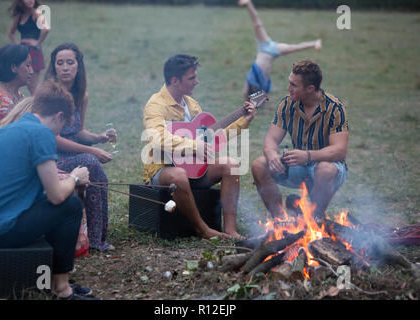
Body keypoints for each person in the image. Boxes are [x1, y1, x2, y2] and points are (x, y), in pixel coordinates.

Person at [0, 80, 98, 300]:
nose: (59, 132)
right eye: (63, 125)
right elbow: (57, 196)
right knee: (71, 205)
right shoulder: (41, 134)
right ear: (59, 116)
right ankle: (62, 289)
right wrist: (76, 178)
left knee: (55, 205)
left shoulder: (5, 131)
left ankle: (51, 278)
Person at [143, 54, 257, 240]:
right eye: (192, 78)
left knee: (231, 165)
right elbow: (156, 138)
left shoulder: (193, 105)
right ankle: (203, 229)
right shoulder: (156, 105)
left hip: (195, 169)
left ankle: (230, 230)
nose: (197, 81)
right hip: (162, 170)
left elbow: (212, 139)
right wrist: (194, 145)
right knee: (178, 175)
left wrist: (243, 121)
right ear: (174, 81)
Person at [251, 60, 349, 222]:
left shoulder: (334, 108)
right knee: (259, 165)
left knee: (325, 169)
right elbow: (271, 139)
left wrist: (308, 156)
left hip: (329, 167)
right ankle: (281, 221)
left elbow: (339, 151)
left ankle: (314, 219)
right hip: (298, 163)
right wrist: (272, 155)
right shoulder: (287, 104)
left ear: (310, 89)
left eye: (293, 85)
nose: (288, 88)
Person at [44, 42, 115, 252]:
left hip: (72, 151)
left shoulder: (81, 95)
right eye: (60, 63)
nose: (65, 67)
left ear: (78, 66)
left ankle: (97, 236)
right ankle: (92, 239)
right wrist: (91, 150)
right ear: (54, 67)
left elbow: (78, 132)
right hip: (50, 155)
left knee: (99, 176)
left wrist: (99, 138)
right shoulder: (51, 94)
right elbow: (52, 137)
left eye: (70, 62)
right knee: (90, 161)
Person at [238, 0, 322, 100]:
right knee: (247, 93)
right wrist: (248, 4)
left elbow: (297, 47)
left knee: (255, 95)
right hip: (258, 70)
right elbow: (256, 22)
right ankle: (252, 104)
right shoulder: (267, 44)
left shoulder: (275, 48)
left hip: (263, 74)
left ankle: (256, 105)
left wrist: (314, 43)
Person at [0, 44, 33, 139]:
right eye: (28, 66)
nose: (32, 71)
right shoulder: (0, 105)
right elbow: (1, 142)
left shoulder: (18, 96)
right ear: (13, 68)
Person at [8, 0, 49, 95]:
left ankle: (40, 105)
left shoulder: (36, 14)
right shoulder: (20, 15)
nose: (31, 0)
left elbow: (46, 28)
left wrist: (37, 43)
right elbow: (11, 33)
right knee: (23, 82)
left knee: (33, 86)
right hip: (23, 52)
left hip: (33, 52)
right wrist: (17, 45)